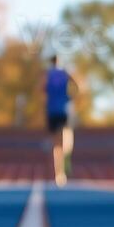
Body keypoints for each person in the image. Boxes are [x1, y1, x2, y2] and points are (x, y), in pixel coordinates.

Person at [44, 55, 79, 187]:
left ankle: (60, 172)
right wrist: (70, 97)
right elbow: (76, 85)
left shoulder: (48, 74)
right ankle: (61, 170)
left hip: (54, 110)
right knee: (63, 141)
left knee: (58, 143)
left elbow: (40, 89)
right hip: (61, 110)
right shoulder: (64, 73)